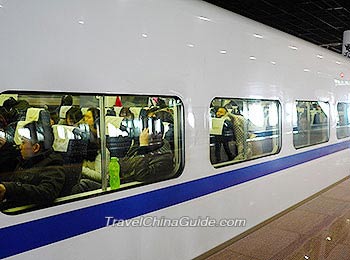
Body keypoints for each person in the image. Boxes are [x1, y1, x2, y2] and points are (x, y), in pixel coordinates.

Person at [0, 121, 65, 208]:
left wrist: (9, 189)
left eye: (23, 142)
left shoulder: (53, 165)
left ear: (35, 148)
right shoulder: (26, 160)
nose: (20, 147)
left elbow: (46, 193)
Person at [120, 115, 174, 183]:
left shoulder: (165, 159)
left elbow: (141, 176)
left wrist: (143, 146)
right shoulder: (141, 147)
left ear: (159, 134)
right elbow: (124, 163)